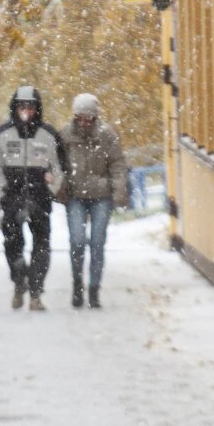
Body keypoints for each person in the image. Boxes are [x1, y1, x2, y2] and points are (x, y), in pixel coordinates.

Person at [0, 85, 66, 311]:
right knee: (12, 243)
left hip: (40, 199)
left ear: (37, 109)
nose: (26, 111)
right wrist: (3, 189)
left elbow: (60, 167)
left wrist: (50, 190)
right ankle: (19, 280)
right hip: (12, 198)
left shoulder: (49, 135)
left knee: (42, 244)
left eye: (30, 107)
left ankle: (36, 292)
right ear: (15, 108)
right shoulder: (3, 134)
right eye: (21, 106)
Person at [59, 93, 128, 309]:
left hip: (101, 196)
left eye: (88, 118)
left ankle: (94, 289)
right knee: (77, 241)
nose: (84, 122)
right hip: (75, 196)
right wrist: (59, 187)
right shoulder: (65, 136)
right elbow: (57, 163)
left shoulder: (107, 136)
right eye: (80, 117)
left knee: (98, 243)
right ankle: (77, 284)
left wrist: (118, 192)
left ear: (95, 117)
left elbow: (117, 165)